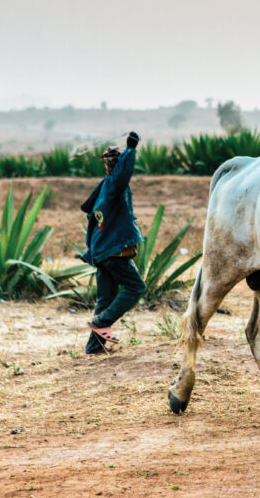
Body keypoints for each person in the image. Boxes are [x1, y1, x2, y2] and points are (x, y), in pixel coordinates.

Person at [79, 132, 146, 355]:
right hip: (114, 252)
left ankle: (93, 349)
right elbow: (123, 173)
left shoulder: (104, 187)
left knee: (106, 298)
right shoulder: (115, 185)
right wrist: (131, 149)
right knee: (136, 288)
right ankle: (102, 322)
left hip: (100, 251)